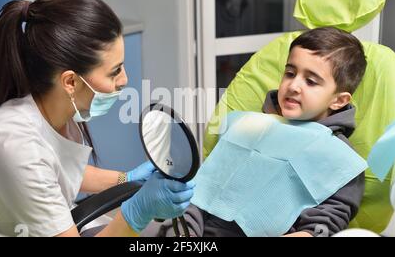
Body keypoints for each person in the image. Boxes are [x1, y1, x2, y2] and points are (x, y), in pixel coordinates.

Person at [0, 0, 194, 237]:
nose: (124, 80)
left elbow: (58, 169)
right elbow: (36, 166)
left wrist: (127, 179)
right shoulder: (15, 146)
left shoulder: (53, 106)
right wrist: (137, 212)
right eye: (114, 71)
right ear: (70, 81)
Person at [144, 27, 367, 237]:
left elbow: (320, 227)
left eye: (310, 81)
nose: (293, 86)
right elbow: (200, 195)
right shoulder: (248, 129)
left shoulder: (341, 162)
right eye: (290, 73)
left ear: (339, 100)